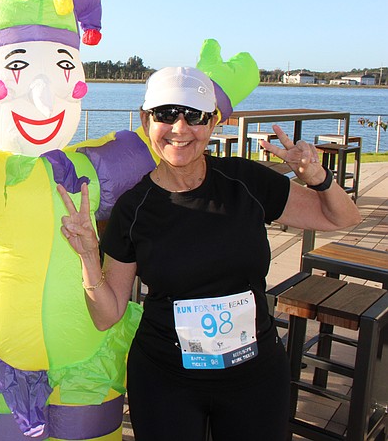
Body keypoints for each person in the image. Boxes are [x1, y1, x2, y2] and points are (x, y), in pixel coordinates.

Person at [57, 66, 361, 441]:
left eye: (195, 115)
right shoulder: (133, 208)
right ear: (144, 119)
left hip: (254, 373)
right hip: (165, 377)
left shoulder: (244, 182)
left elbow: (343, 217)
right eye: (166, 114)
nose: (180, 129)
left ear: (213, 123)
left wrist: (317, 177)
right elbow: (107, 316)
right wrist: (89, 256)